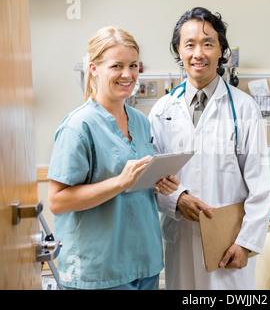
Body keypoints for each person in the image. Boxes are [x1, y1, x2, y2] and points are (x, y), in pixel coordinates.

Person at [47, 26, 179, 290]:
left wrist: (156, 180)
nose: (127, 74)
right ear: (94, 69)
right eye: (116, 65)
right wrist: (120, 182)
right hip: (98, 269)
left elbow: (134, 182)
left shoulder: (141, 122)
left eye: (133, 65)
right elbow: (57, 201)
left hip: (144, 261)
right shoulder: (78, 126)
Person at [149, 7, 270, 289]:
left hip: (229, 243)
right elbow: (152, 178)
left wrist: (246, 243)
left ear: (221, 52)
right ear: (178, 51)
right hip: (180, 236)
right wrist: (177, 199)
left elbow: (261, 186)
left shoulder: (244, 108)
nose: (198, 53)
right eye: (189, 45)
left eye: (208, 44)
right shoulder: (161, 110)